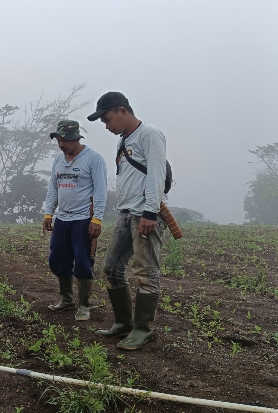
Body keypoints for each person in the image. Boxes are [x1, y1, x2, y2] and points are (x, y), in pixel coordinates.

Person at [87, 91, 167, 350]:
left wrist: (150, 212)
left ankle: (142, 329)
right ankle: (123, 323)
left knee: (146, 272)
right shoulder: (123, 141)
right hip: (126, 212)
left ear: (122, 110)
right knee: (111, 268)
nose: (107, 126)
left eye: (108, 119)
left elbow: (156, 174)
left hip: (145, 213)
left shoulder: (150, 135)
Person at [43, 120, 107, 321]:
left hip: (83, 219)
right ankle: (67, 299)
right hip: (62, 219)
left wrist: (97, 219)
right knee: (57, 260)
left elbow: (100, 191)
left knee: (83, 262)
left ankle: (84, 305)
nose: (62, 145)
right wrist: (48, 213)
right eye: (59, 140)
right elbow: (53, 188)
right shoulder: (58, 161)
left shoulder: (93, 159)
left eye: (65, 141)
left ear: (77, 139)